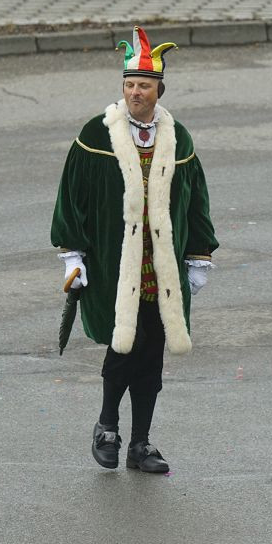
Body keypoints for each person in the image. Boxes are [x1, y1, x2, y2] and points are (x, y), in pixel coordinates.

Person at [51, 26, 217, 474]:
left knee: (153, 354)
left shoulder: (177, 136)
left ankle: (140, 443)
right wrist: (72, 255)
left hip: (161, 268)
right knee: (123, 347)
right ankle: (107, 425)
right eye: (129, 85)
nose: (135, 93)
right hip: (114, 263)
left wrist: (199, 256)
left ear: (159, 89)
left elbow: (195, 199)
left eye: (144, 85)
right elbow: (72, 197)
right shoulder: (95, 134)